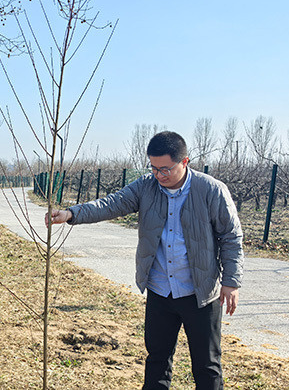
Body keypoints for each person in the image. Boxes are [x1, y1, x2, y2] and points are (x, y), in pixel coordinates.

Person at [46, 131, 243, 389]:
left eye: (165, 169)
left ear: (184, 162)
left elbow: (231, 237)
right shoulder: (146, 187)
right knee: (157, 361)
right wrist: (72, 214)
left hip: (201, 293)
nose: (159, 175)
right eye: (154, 168)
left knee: (207, 366)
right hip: (160, 290)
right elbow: (111, 204)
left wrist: (231, 281)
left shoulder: (211, 190)